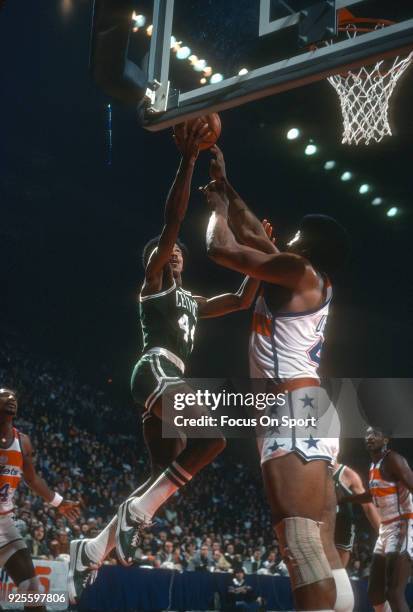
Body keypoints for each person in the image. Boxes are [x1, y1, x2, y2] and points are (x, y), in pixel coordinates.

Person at [68, 121, 259, 603]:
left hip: (169, 379)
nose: (169, 255)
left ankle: (91, 549)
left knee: (162, 476)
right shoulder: (153, 287)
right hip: (155, 368)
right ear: (157, 259)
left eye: (174, 255)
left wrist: (258, 252)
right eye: (162, 252)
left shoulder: (192, 299)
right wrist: (189, 159)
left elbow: (240, 299)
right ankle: (137, 512)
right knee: (215, 437)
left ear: (182, 263)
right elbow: (172, 224)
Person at [203, 146, 352, 611]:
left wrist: (217, 210)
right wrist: (227, 184)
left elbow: (220, 248)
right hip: (311, 409)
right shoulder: (301, 277)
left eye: (294, 235)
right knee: (321, 548)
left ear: (305, 244)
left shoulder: (299, 271)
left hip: (291, 409)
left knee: (301, 545)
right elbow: (255, 234)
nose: (284, 238)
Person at [0, 388, 79, 610]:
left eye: (15, 397)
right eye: (5, 395)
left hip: (5, 525)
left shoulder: (22, 441)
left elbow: (33, 480)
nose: (11, 399)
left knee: (33, 589)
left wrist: (59, 502)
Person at [342, 427, 413, 612]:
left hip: (403, 525)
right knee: (374, 593)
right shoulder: (374, 464)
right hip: (386, 529)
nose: (369, 437)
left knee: (394, 593)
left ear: (386, 439)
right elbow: (372, 495)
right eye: (367, 434)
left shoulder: (393, 460)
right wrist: (343, 499)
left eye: (375, 434)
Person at [333, 461, 380, 567]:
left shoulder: (347, 474)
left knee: (337, 573)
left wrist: (382, 534)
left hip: (340, 531)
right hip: (315, 530)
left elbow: (367, 506)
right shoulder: (309, 469)